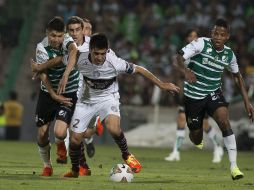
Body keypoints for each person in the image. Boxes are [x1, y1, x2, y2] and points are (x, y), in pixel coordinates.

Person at [62, 33, 180, 177]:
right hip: (86, 101)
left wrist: (161, 84)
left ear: (107, 50)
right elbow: (60, 60)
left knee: (113, 129)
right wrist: (41, 67)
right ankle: (75, 170)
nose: (99, 57)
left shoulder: (114, 62)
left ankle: (127, 155)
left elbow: (140, 69)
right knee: (75, 140)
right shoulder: (80, 58)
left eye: (103, 53)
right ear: (90, 50)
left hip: (108, 98)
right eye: (96, 53)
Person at [176, 18, 254, 180]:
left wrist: (247, 102)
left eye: (222, 34)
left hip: (212, 92)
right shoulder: (201, 44)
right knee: (196, 136)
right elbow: (179, 57)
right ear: (212, 33)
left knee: (224, 120)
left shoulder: (229, 54)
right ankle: (197, 138)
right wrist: (186, 71)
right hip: (193, 96)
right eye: (216, 33)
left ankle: (234, 167)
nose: (218, 37)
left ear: (227, 37)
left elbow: (237, 77)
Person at [165, 29, 224, 163]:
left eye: (195, 36)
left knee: (204, 124)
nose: (193, 38)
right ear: (186, 39)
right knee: (181, 119)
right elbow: (177, 65)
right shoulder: (183, 54)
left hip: (201, 93)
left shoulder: (203, 51)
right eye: (190, 36)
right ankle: (176, 152)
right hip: (187, 91)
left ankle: (218, 146)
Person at [32, 16, 79, 176]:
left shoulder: (67, 41)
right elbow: (43, 75)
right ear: (47, 33)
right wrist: (53, 94)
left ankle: (60, 144)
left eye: (59, 36)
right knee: (42, 134)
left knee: (59, 132)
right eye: (53, 35)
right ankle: (47, 165)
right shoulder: (41, 47)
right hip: (48, 93)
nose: (56, 39)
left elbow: (73, 51)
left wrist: (66, 74)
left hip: (68, 92)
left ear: (64, 35)